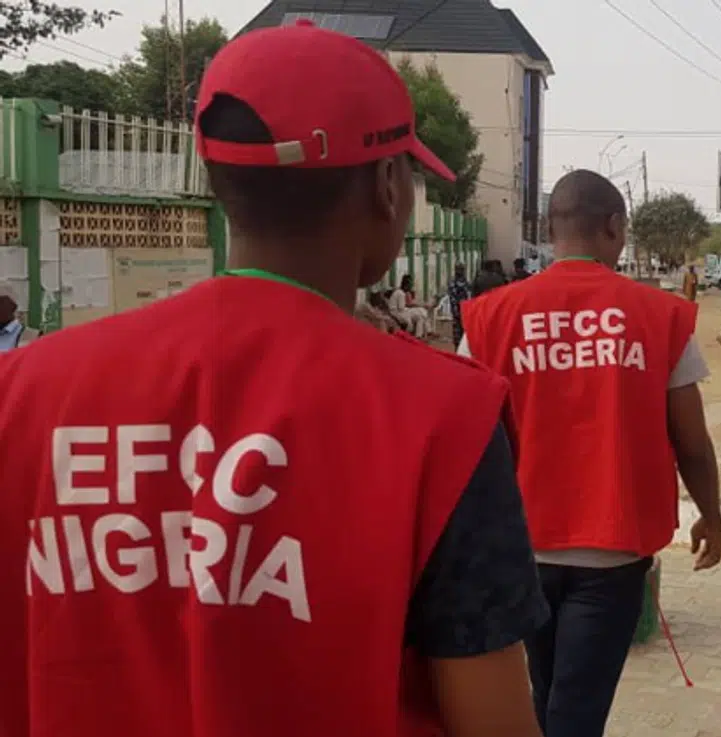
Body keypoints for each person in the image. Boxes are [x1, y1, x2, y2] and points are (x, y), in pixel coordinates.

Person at [0, 21, 547, 737]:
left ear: (222, 184)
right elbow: (495, 722)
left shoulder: (24, 392)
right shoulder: (444, 417)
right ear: (388, 187)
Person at [458, 169, 721, 737]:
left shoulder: (488, 320)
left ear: (551, 228)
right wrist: (711, 514)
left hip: (520, 549)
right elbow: (692, 442)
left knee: (546, 692)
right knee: (576, 711)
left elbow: (467, 441)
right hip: (613, 554)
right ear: (614, 225)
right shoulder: (659, 316)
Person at [390, 274, 430, 339]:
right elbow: (401, 308)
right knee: (418, 316)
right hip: (397, 313)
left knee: (420, 316)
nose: (410, 288)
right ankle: (412, 336)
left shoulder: (400, 292)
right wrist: (411, 310)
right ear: (406, 286)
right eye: (409, 286)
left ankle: (418, 336)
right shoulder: (400, 293)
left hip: (400, 311)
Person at [447, 262, 472, 346]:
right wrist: (456, 311)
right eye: (459, 269)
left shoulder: (466, 282)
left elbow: (469, 296)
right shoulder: (453, 283)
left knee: (465, 333)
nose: (461, 271)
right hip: (457, 311)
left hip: (465, 311)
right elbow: (453, 298)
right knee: (457, 335)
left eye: (462, 269)